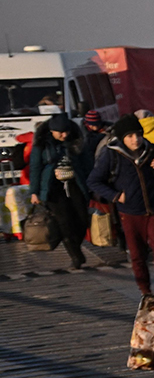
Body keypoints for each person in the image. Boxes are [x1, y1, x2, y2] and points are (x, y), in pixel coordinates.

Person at [88, 113, 154, 295]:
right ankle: (145, 290)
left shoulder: (152, 150)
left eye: (138, 134)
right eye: (130, 136)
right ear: (122, 138)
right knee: (137, 254)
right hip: (129, 212)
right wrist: (115, 196)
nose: (135, 139)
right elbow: (94, 181)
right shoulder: (112, 155)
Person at [27, 114, 93, 269]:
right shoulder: (42, 143)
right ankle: (76, 255)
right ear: (52, 131)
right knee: (64, 221)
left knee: (82, 219)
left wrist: (92, 184)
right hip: (53, 187)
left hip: (75, 184)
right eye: (60, 132)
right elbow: (35, 167)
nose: (64, 135)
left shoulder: (76, 140)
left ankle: (76, 246)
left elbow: (87, 163)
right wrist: (34, 192)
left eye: (66, 131)